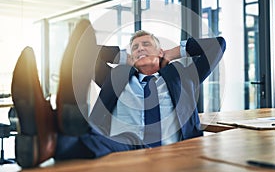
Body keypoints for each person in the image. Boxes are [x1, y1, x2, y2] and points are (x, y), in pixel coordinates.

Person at [11, 19, 226, 168]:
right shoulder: (114, 77)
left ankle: (43, 138)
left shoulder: (183, 76)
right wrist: (123, 57)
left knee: (78, 142)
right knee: (90, 141)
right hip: (123, 145)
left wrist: (173, 52)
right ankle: (53, 131)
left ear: (160, 51)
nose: (140, 48)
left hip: (173, 151)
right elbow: (86, 52)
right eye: (134, 47)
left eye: (146, 44)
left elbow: (218, 45)